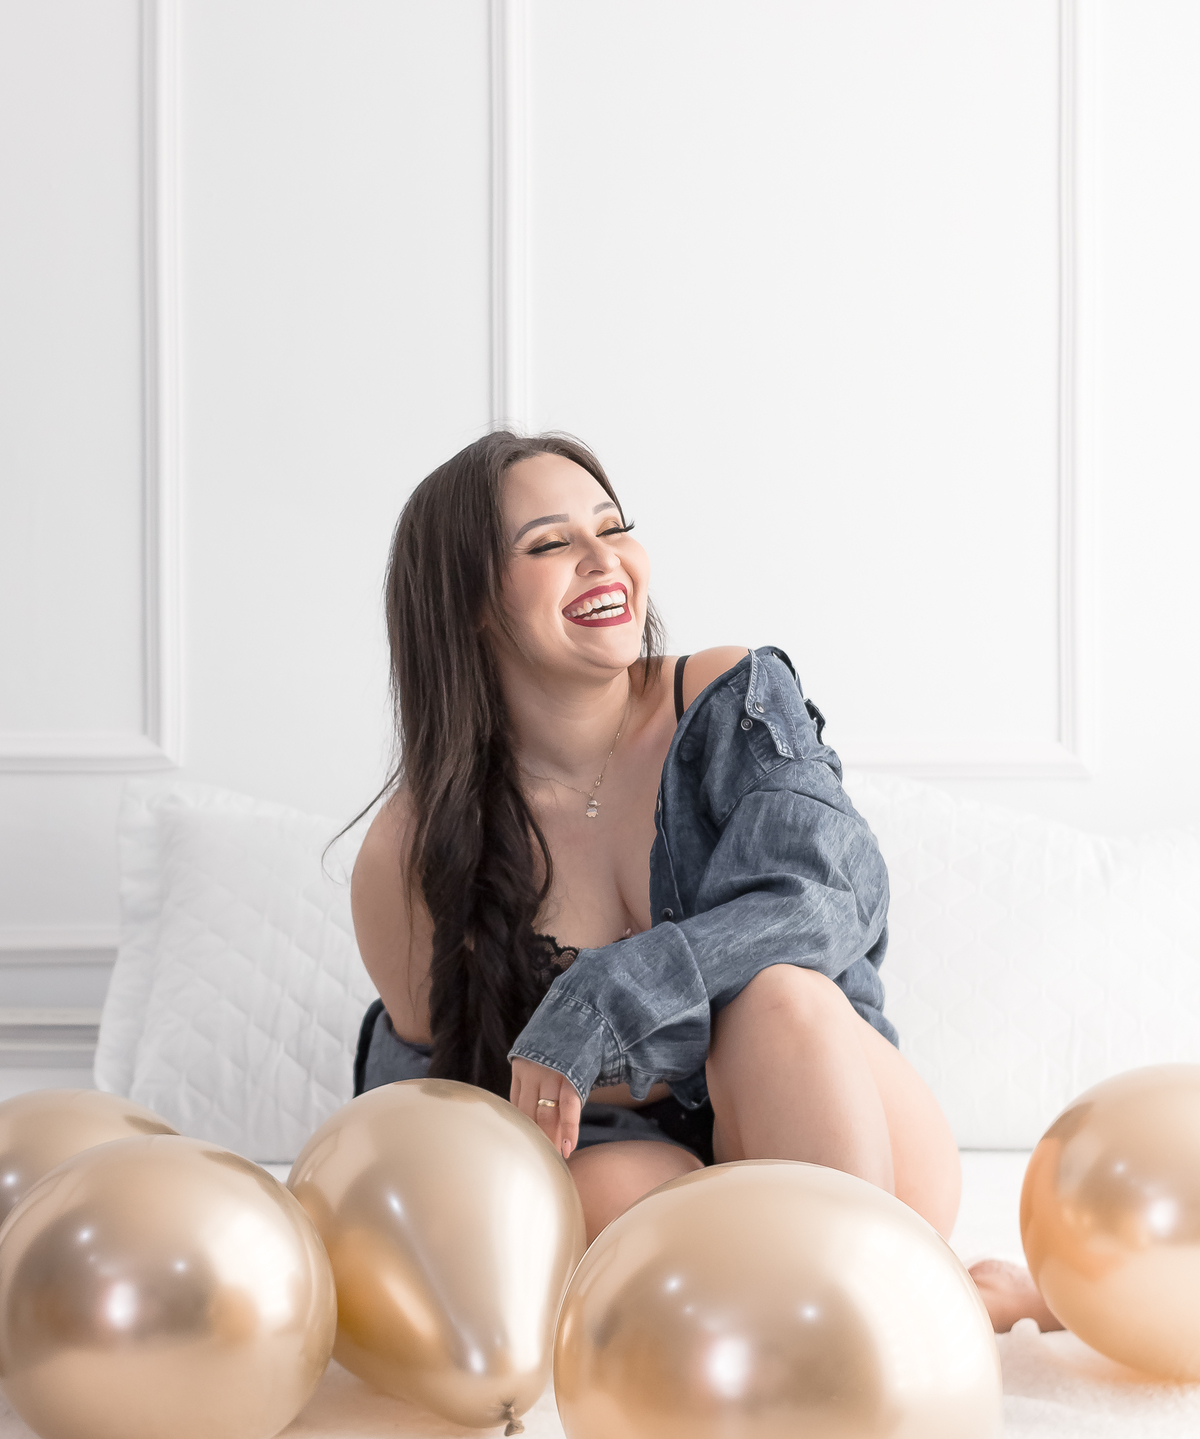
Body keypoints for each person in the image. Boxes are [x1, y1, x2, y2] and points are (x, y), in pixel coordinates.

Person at [350, 429, 1060, 1335]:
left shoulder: (730, 700)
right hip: (643, 1170)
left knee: (775, 995)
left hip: (846, 1128)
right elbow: (436, 1117)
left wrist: (606, 997)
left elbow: (826, 897)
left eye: (614, 527)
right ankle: (926, 1303)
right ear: (470, 603)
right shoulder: (412, 851)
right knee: (586, 1199)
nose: (604, 559)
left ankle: (871, 1329)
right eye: (551, 543)